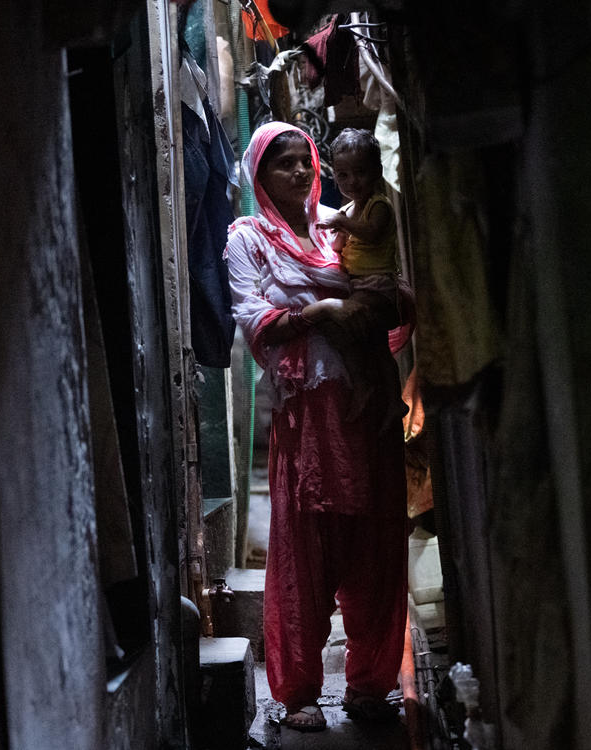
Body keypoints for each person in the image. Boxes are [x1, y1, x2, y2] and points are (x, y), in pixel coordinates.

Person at [224, 121, 411, 732]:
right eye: (284, 164)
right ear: (259, 174)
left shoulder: (343, 225)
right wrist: (327, 311)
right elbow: (255, 318)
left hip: (368, 406)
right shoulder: (248, 239)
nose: (301, 173)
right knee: (304, 550)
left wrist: (366, 306)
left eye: (305, 161)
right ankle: (300, 691)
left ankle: (368, 684)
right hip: (308, 417)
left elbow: (400, 292)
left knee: (377, 543)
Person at [317, 128, 407, 427]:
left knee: (337, 326)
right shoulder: (347, 209)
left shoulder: (377, 205)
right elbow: (340, 246)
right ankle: (394, 403)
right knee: (378, 349)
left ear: (377, 172)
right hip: (359, 286)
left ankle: (362, 384)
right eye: (343, 175)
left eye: (360, 172)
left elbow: (372, 233)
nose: (352, 182)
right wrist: (339, 232)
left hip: (378, 287)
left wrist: (344, 222)